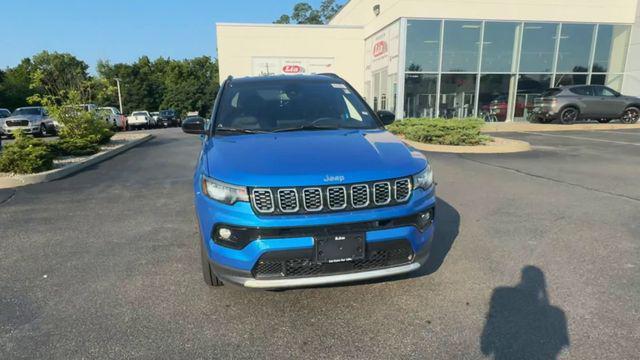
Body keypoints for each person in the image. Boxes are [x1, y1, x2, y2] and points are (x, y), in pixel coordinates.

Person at [481, 266, 569, 360]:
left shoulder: (500, 293)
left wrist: (486, 342)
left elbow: (492, 320)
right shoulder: (556, 313)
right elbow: (562, 343)